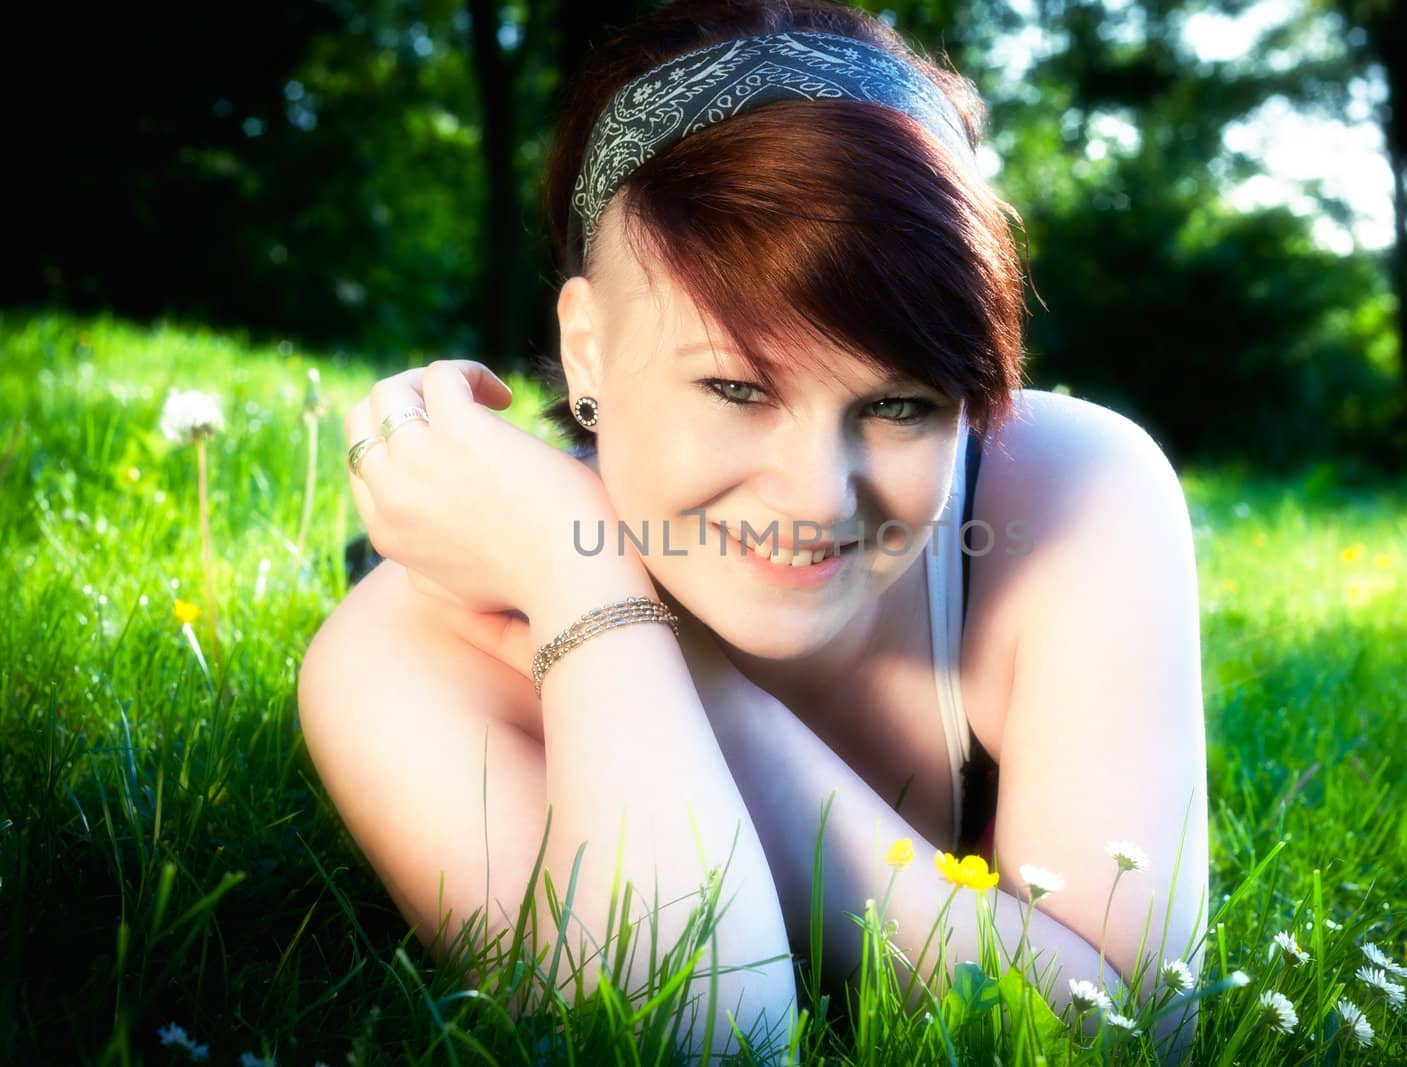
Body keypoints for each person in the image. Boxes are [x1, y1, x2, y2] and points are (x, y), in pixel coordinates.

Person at [296, 0, 1209, 1060]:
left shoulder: (1075, 490)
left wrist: (681, 670)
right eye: (735, 386)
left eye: (901, 402)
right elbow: (692, 1035)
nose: (819, 497)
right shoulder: (400, 659)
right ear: (585, 349)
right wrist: (577, 580)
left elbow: (1136, 1031)